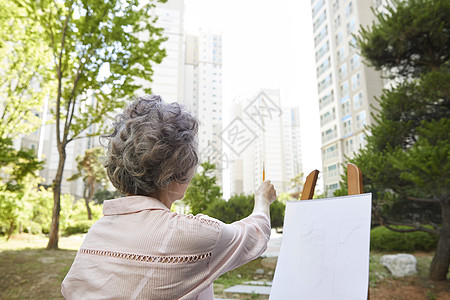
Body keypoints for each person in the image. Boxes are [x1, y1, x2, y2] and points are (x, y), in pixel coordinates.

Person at [61, 95, 277, 300]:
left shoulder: (97, 232)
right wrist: (263, 200)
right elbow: (255, 234)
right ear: (177, 172)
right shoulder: (188, 234)